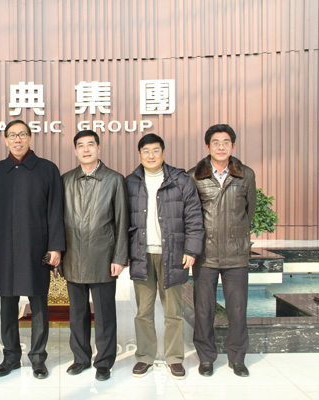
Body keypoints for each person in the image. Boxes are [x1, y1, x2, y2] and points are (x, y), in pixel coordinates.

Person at [0, 120, 65, 379]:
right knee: (7, 303)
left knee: (38, 302)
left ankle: (38, 358)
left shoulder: (47, 169)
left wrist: (56, 246)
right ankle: (11, 356)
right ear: (5, 140)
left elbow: (56, 210)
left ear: (30, 137)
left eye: (22, 135)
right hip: (4, 247)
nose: (17, 140)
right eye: (12, 135)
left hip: (36, 246)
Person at [126, 133, 204, 380]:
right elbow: (122, 221)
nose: (151, 155)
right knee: (143, 311)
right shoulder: (130, 182)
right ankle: (145, 356)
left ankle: (174, 358)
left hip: (173, 254)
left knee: (173, 311)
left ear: (163, 152)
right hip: (141, 254)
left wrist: (191, 249)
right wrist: (124, 253)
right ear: (139, 154)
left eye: (155, 150)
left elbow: (194, 216)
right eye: (146, 151)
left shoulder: (181, 180)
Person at [188, 124, 256, 377]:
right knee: (203, 309)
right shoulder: (194, 176)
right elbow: (191, 216)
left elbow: (249, 212)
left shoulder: (246, 175)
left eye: (226, 142)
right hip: (205, 254)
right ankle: (206, 358)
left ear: (233, 146)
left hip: (236, 254)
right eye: (216, 142)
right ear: (208, 146)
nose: (221, 147)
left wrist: (237, 238)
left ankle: (237, 358)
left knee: (237, 309)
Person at [61, 130, 128, 381]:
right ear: (75, 150)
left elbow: (122, 221)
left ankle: (104, 362)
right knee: (77, 314)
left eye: (91, 144)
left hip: (103, 258)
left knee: (104, 315)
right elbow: (57, 221)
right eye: (81, 145)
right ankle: (80, 358)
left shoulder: (114, 179)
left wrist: (119, 257)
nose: (86, 149)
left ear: (99, 148)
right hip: (73, 257)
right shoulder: (65, 180)